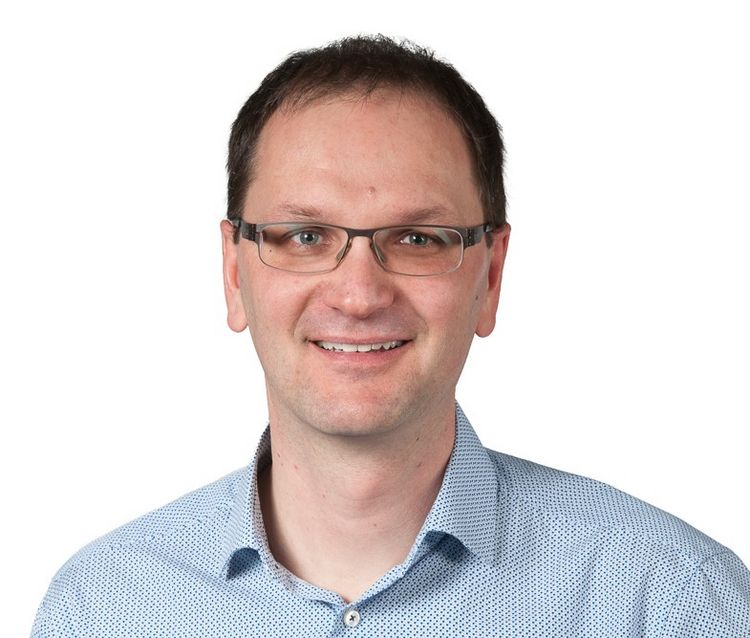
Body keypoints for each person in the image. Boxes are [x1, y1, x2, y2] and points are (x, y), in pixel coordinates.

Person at [32, 35, 749, 637]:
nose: (358, 294)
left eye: (417, 238)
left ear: (490, 276)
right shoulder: (101, 609)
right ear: (233, 271)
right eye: (305, 235)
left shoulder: (668, 600)